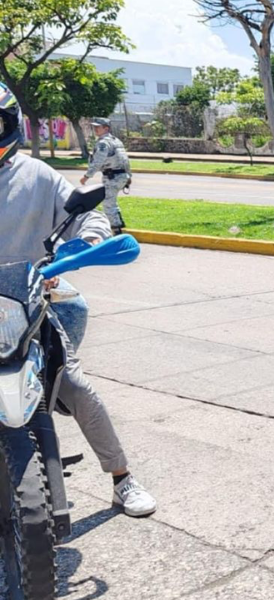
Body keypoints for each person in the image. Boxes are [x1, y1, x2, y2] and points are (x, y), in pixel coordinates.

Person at [0, 83, 157, 517]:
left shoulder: (36, 175)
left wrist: (85, 241)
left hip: (25, 307)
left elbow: (85, 213)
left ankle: (122, 478)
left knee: (74, 384)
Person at [78, 117, 130, 234]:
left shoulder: (103, 143)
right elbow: (125, 160)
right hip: (121, 175)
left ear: (106, 128)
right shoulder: (116, 141)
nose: (95, 129)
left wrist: (87, 176)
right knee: (111, 202)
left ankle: (116, 231)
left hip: (112, 176)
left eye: (98, 127)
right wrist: (128, 176)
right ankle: (118, 227)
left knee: (108, 204)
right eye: (94, 127)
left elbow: (98, 161)